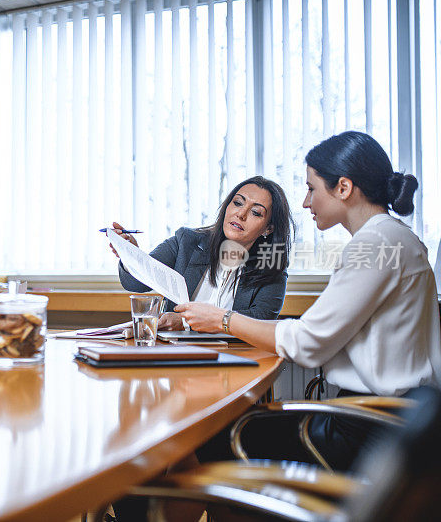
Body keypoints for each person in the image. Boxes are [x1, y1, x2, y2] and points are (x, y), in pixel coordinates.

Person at [177, 131, 441, 469]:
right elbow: (318, 332)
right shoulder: (398, 239)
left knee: (210, 434)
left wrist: (222, 320)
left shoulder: (375, 245)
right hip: (391, 419)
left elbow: (309, 344)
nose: (305, 202)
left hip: (363, 430)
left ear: (343, 188)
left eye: (312, 188)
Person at [112, 176, 294, 329]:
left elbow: (260, 321)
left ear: (268, 229)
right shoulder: (187, 242)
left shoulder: (271, 266)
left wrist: (185, 322)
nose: (241, 214)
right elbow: (135, 284)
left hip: (234, 359)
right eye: (238, 203)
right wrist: (130, 254)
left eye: (255, 212)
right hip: (176, 355)